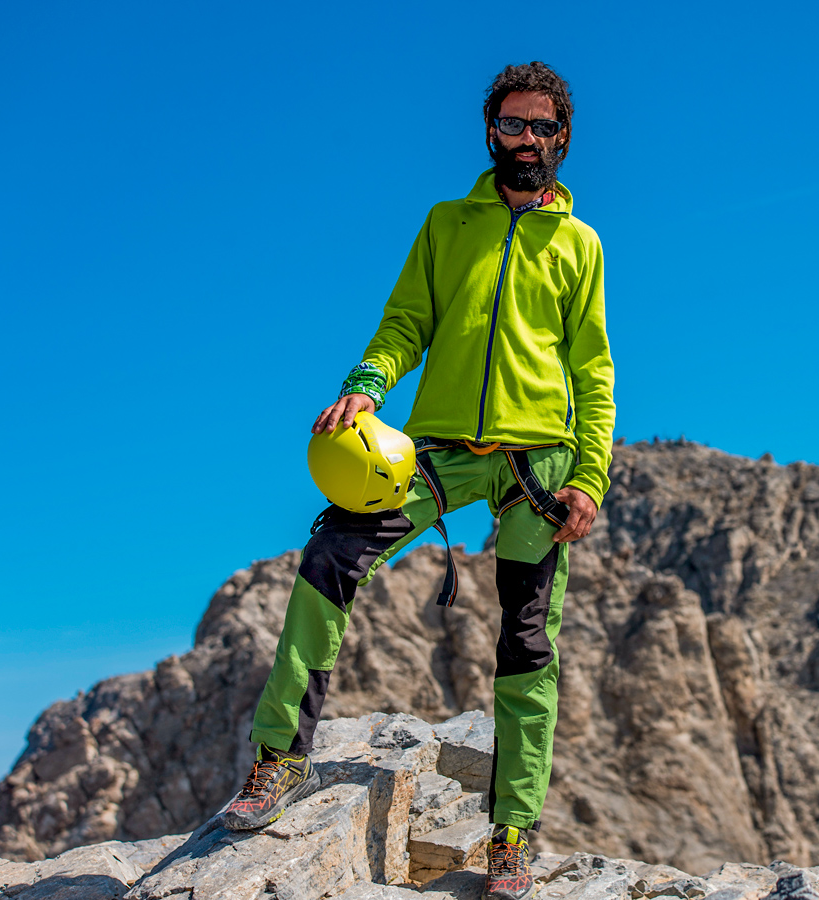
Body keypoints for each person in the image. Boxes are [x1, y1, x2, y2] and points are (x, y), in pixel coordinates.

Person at [221, 61, 614, 900]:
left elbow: (594, 370)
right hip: (441, 451)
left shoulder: (580, 246)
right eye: (514, 125)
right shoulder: (447, 224)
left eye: (544, 127)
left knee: (528, 641)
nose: (529, 141)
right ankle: (278, 759)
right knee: (333, 548)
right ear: (490, 133)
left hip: (537, 467)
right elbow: (405, 323)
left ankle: (511, 834)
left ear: (563, 139)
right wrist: (366, 385)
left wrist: (589, 478)